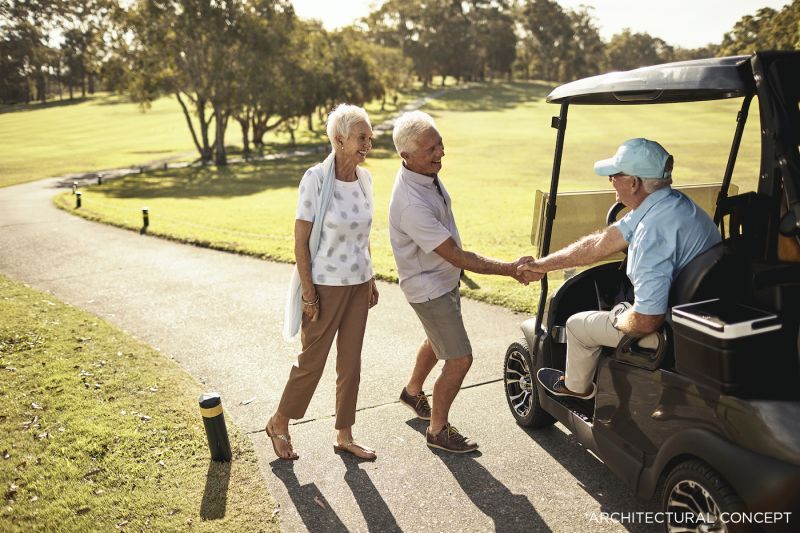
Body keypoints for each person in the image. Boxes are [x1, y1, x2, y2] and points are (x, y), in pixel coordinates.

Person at [518, 138, 721, 399]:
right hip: (695, 311)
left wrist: (619, 317)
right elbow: (598, 245)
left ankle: (576, 389)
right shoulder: (671, 204)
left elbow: (647, 320)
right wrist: (540, 266)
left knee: (577, 325)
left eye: (615, 175)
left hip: (667, 331)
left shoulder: (650, 236)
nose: (610, 180)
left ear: (634, 183)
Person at [389, 111, 531, 453]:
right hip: (430, 289)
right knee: (459, 359)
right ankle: (437, 431)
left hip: (442, 280)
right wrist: (511, 268)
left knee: (436, 340)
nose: (440, 152)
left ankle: (411, 392)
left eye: (440, 144)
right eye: (430, 149)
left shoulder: (425, 173)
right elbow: (455, 254)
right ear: (406, 155)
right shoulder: (410, 204)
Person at [267, 104, 379, 461]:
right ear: (339, 139)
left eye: (369, 138)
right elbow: (301, 241)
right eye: (361, 138)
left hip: (358, 284)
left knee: (351, 363)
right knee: (311, 361)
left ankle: (344, 434)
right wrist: (309, 294)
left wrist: (371, 277)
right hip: (325, 286)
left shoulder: (365, 180)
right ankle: (279, 422)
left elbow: (364, 236)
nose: (368, 144)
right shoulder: (315, 179)